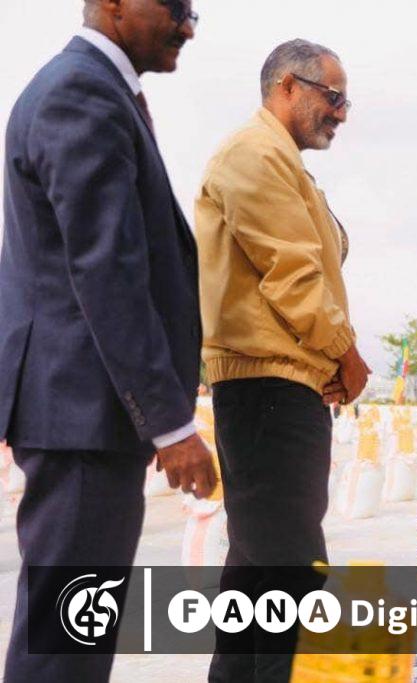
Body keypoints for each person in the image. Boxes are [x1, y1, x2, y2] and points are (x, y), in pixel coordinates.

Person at [0, 0, 214, 680]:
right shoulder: (81, 93)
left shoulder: (94, 90)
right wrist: (171, 424)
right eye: (175, 7)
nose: (188, 24)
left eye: (194, 10)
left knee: (71, 641)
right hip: (81, 415)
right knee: (63, 650)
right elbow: (106, 271)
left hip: (84, 415)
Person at [194, 38, 370, 682]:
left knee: (256, 573)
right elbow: (292, 274)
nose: (341, 112)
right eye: (333, 96)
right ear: (287, 86)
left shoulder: (282, 162)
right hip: (267, 387)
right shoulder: (254, 153)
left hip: (281, 383)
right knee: (290, 576)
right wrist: (347, 355)